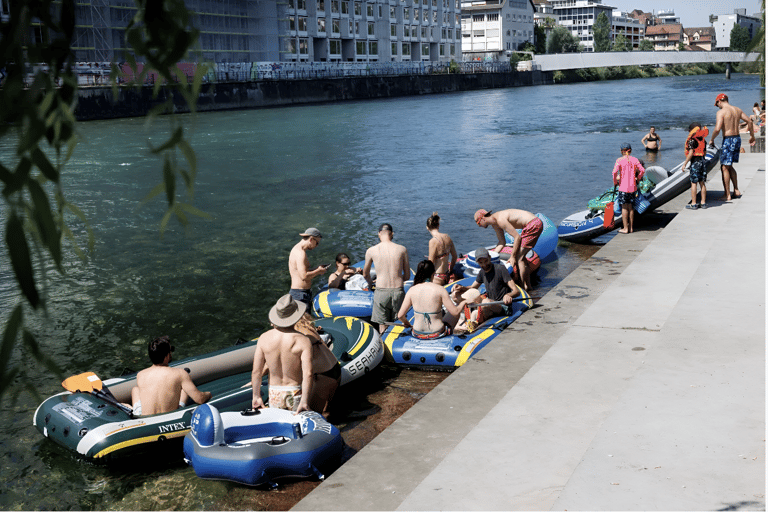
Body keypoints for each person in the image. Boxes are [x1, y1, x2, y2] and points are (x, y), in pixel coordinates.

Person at [251, 295, 313, 413]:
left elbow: (256, 372)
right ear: (296, 317)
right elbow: (308, 374)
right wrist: (304, 401)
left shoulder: (264, 338)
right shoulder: (303, 340)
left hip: (274, 393)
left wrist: (256, 396)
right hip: (295, 392)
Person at [130, 336, 212, 416]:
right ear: (166, 355)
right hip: (169, 417)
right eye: (171, 350)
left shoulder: (141, 375)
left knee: (135, 389)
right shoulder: (180, 373)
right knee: (183, 389)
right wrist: (208, 394)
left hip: (146, 419)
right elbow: (200, 399)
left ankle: (128, 407)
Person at [473, 208, 542, 291]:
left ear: (483, 218)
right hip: (530, 225)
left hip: (533, 224)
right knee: (521, 257)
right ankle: (528, 286)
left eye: (478, 223)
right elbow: (502, 242)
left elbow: (517, 237)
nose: (479, 226)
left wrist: (512, 256)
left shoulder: (500, 220)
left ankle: (525, 287)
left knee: (518, 257)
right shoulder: (495, 224)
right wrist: (490, 256)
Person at [451, 247, 520, 330]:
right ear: (477, 262)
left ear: (490, 258)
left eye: (486, 261)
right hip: (489, 304)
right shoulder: (482, 272)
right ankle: (472, 319)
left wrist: (509, 295)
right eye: (481, 262)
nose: (484, 265)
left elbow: (516, 291)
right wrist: (460, 288)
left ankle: (475, 321)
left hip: (503, 306)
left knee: (485, 301)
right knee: (456, 295)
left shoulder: (500, 269)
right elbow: (472, 287)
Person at [396, 260, 468, 339]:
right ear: (433, 273)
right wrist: (463, 302)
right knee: (455, 309)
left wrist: (407, 323)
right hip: (437, 333)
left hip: (417, 333)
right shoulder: (440, 289)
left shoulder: (412, 290)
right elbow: (455, 312)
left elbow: (400, 315)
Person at [363, 223, 410, 334]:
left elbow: (365, 274)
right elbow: (407, 276)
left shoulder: (371, 250)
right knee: (399, 323)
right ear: (392, 234)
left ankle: (384, 347)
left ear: (379, 233)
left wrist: (370, 284)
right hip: (398, 290)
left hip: (381, 290)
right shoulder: (402, 249)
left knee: (382, 326)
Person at [709, 93, 755, 201]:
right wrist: (752, 136)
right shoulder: (737, 110)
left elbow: (717, 128)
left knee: (724, 167)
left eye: (717, 104)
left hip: (728, 139)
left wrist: (712, 139)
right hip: (737, 138)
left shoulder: (721, 112)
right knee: (730, 166)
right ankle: (736, 190)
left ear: (719, 101)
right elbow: (749, 121)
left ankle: (727, 195)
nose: (718, 106)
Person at [294, 316, 341, 419]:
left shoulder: (295, 332)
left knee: (313, 417)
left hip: (322, 376)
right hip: (334, 368)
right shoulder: (307, 326)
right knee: (327, 412)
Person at [288, 227, 328, 307]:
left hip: (300, 293)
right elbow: (304, 276)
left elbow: (301, 271)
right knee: (304, 319)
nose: (317, 246)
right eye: (317, 243)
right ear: (311, 239)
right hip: (300, 295)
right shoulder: (300, 253)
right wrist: (318, 271)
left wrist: (316, 269)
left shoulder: (296, 249)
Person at [611, 143, 645, 234]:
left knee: (624, 208)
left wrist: (615, 182)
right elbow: (642, 170)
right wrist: (638, 178)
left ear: (621, 151)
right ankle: (631, 228)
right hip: (633, 187)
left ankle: (625, 228)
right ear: (630, 150)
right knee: (630, 207)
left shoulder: (619, 160)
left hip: (623, 187)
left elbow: (614, 172)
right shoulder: (634, 159)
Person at [682, 122, 710, 210]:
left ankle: (694, 204)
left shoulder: (692, 140)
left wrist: (685, 163)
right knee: (702, 182)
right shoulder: (703, 139)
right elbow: (704, 152)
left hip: (695, 162)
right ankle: (703, 203)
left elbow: (690, 153)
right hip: (702, 161)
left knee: (694, 183)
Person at [426, 212, 457, 286]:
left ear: (427, 227)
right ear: (438, 225)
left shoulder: (432, 241)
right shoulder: (447, 237)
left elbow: (431, 263)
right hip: (446, 274)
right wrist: (450, 270)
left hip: (437, 277)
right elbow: (455, 256)